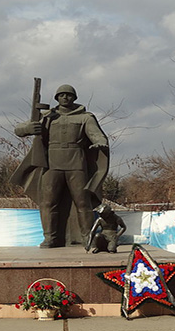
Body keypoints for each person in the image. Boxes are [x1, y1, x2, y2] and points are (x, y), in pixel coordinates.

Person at [11, 84, 109, 248]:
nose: (65, 97)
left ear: (74, 97)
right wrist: (28, 128)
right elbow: (19, 129)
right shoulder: (48, 116)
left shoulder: (85, 117)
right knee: (48, 202)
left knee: (83, 202)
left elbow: (96, 135)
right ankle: (50, 238)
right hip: (51, 164)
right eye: (61, 95)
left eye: (69, 95)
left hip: (76, 163)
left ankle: (87, 238)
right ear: (57, 98)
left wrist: (100, 143)